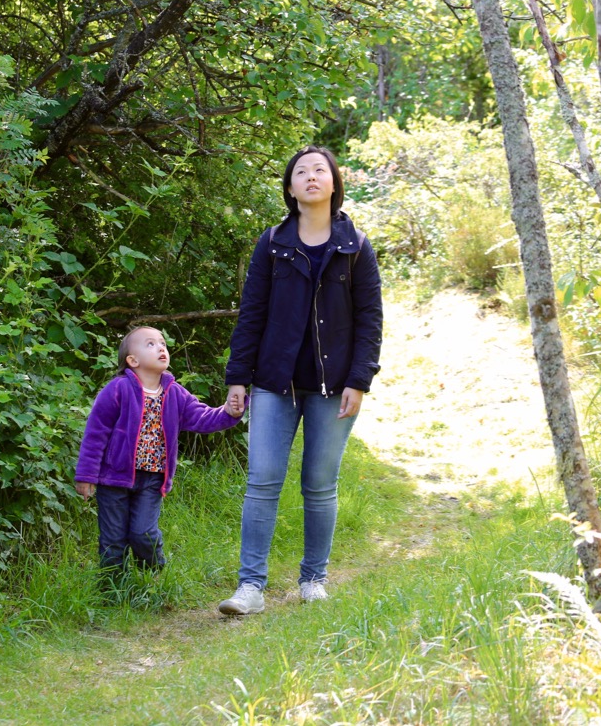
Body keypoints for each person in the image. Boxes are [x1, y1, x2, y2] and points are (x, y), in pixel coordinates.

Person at [218, 145, 383, 616]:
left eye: (320, 170)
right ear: (290, 188)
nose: (311, 176)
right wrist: (238, 377)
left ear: (333, 183)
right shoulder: (272, 242)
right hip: (275, 382)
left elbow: (370, 319)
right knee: (262, 481)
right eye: (301, 172)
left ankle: (314, 579)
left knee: (319, 484)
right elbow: (252, 313)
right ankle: (250, 587)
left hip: (335, 386)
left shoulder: (356, 246)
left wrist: (359, 380)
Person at [75, 326, 243, 577]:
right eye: (151, 344)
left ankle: (152, 577)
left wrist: (228, 412)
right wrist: (86, 475)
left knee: (143, 532)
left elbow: (202, 418)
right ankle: (112, 587)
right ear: (133, 360)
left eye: (162, 343)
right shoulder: (118, 389)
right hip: (114, 478)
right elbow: (95, 433)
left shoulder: (175, 393)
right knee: (113, 539)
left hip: (153, 479)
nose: (161, 348)